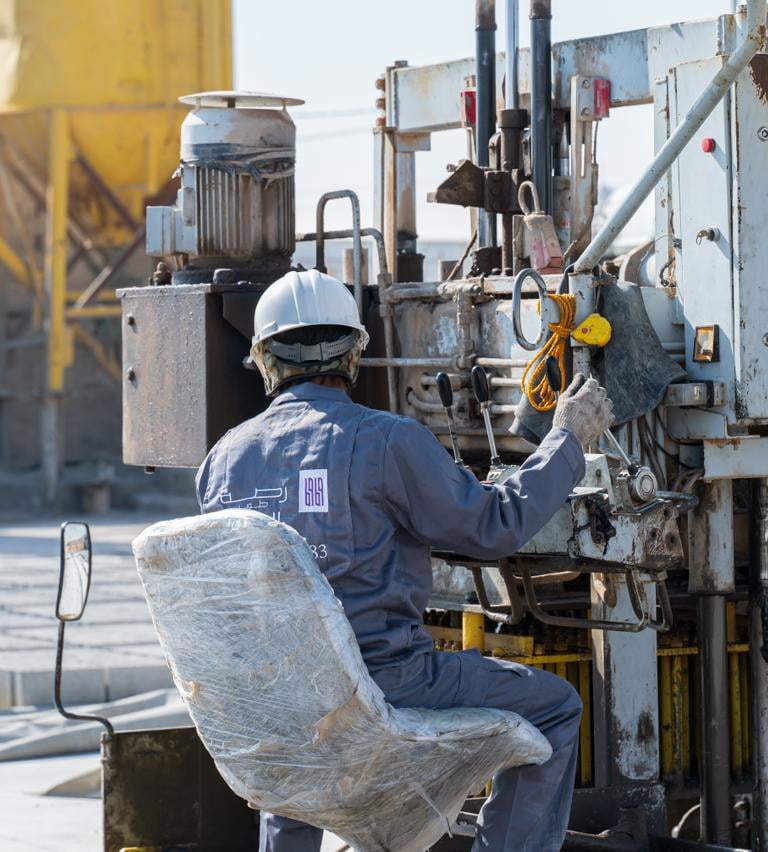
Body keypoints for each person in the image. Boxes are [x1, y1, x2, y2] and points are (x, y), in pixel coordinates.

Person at [196, 269, 614, 852]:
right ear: (353, 355)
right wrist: (566, 438)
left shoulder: (220, 462)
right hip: (388, 686)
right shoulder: (388, 441)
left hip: (276, 702)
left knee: (293, 757)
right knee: (556, 709)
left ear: (264, 360)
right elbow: (495, 525)